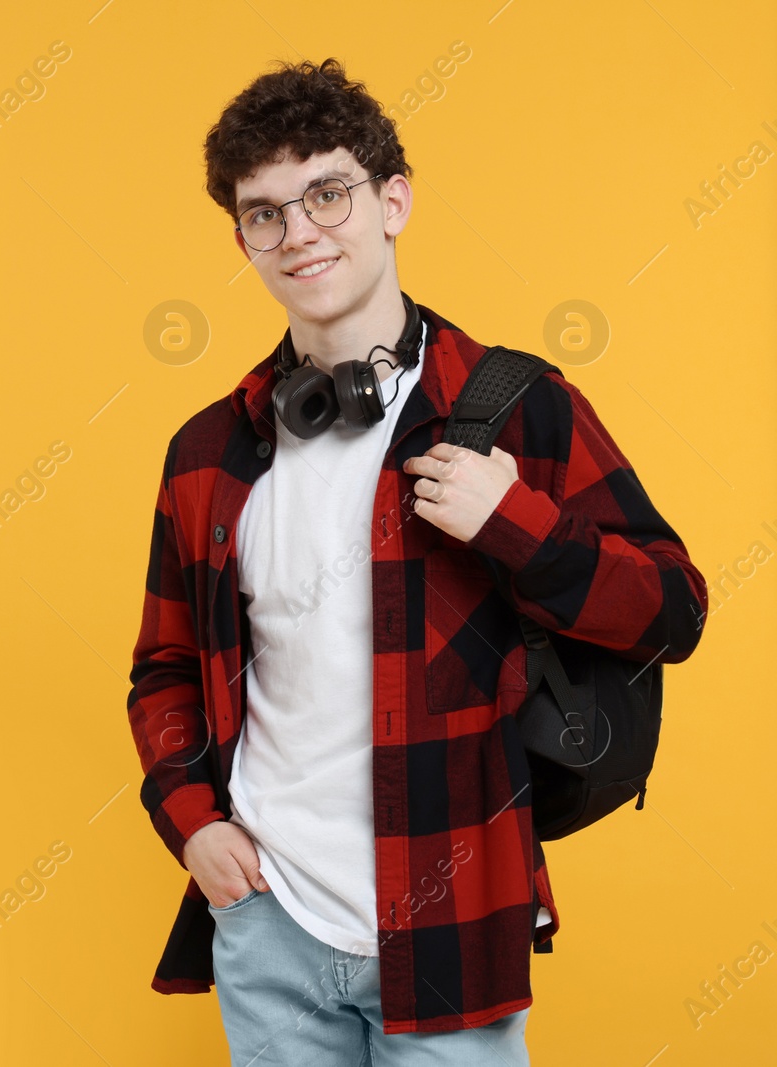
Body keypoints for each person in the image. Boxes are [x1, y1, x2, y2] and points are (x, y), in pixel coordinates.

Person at [125, 58, 708, 1065]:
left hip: (451, 913)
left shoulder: (520, 407)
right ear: (241, 240)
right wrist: (189, 822)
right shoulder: (210, 450)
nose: (298, 230)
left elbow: (673, 611)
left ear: (393, 200)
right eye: (264, 212)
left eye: (326, 192)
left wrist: (515, 522)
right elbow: (164, 667)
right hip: (268, 922)